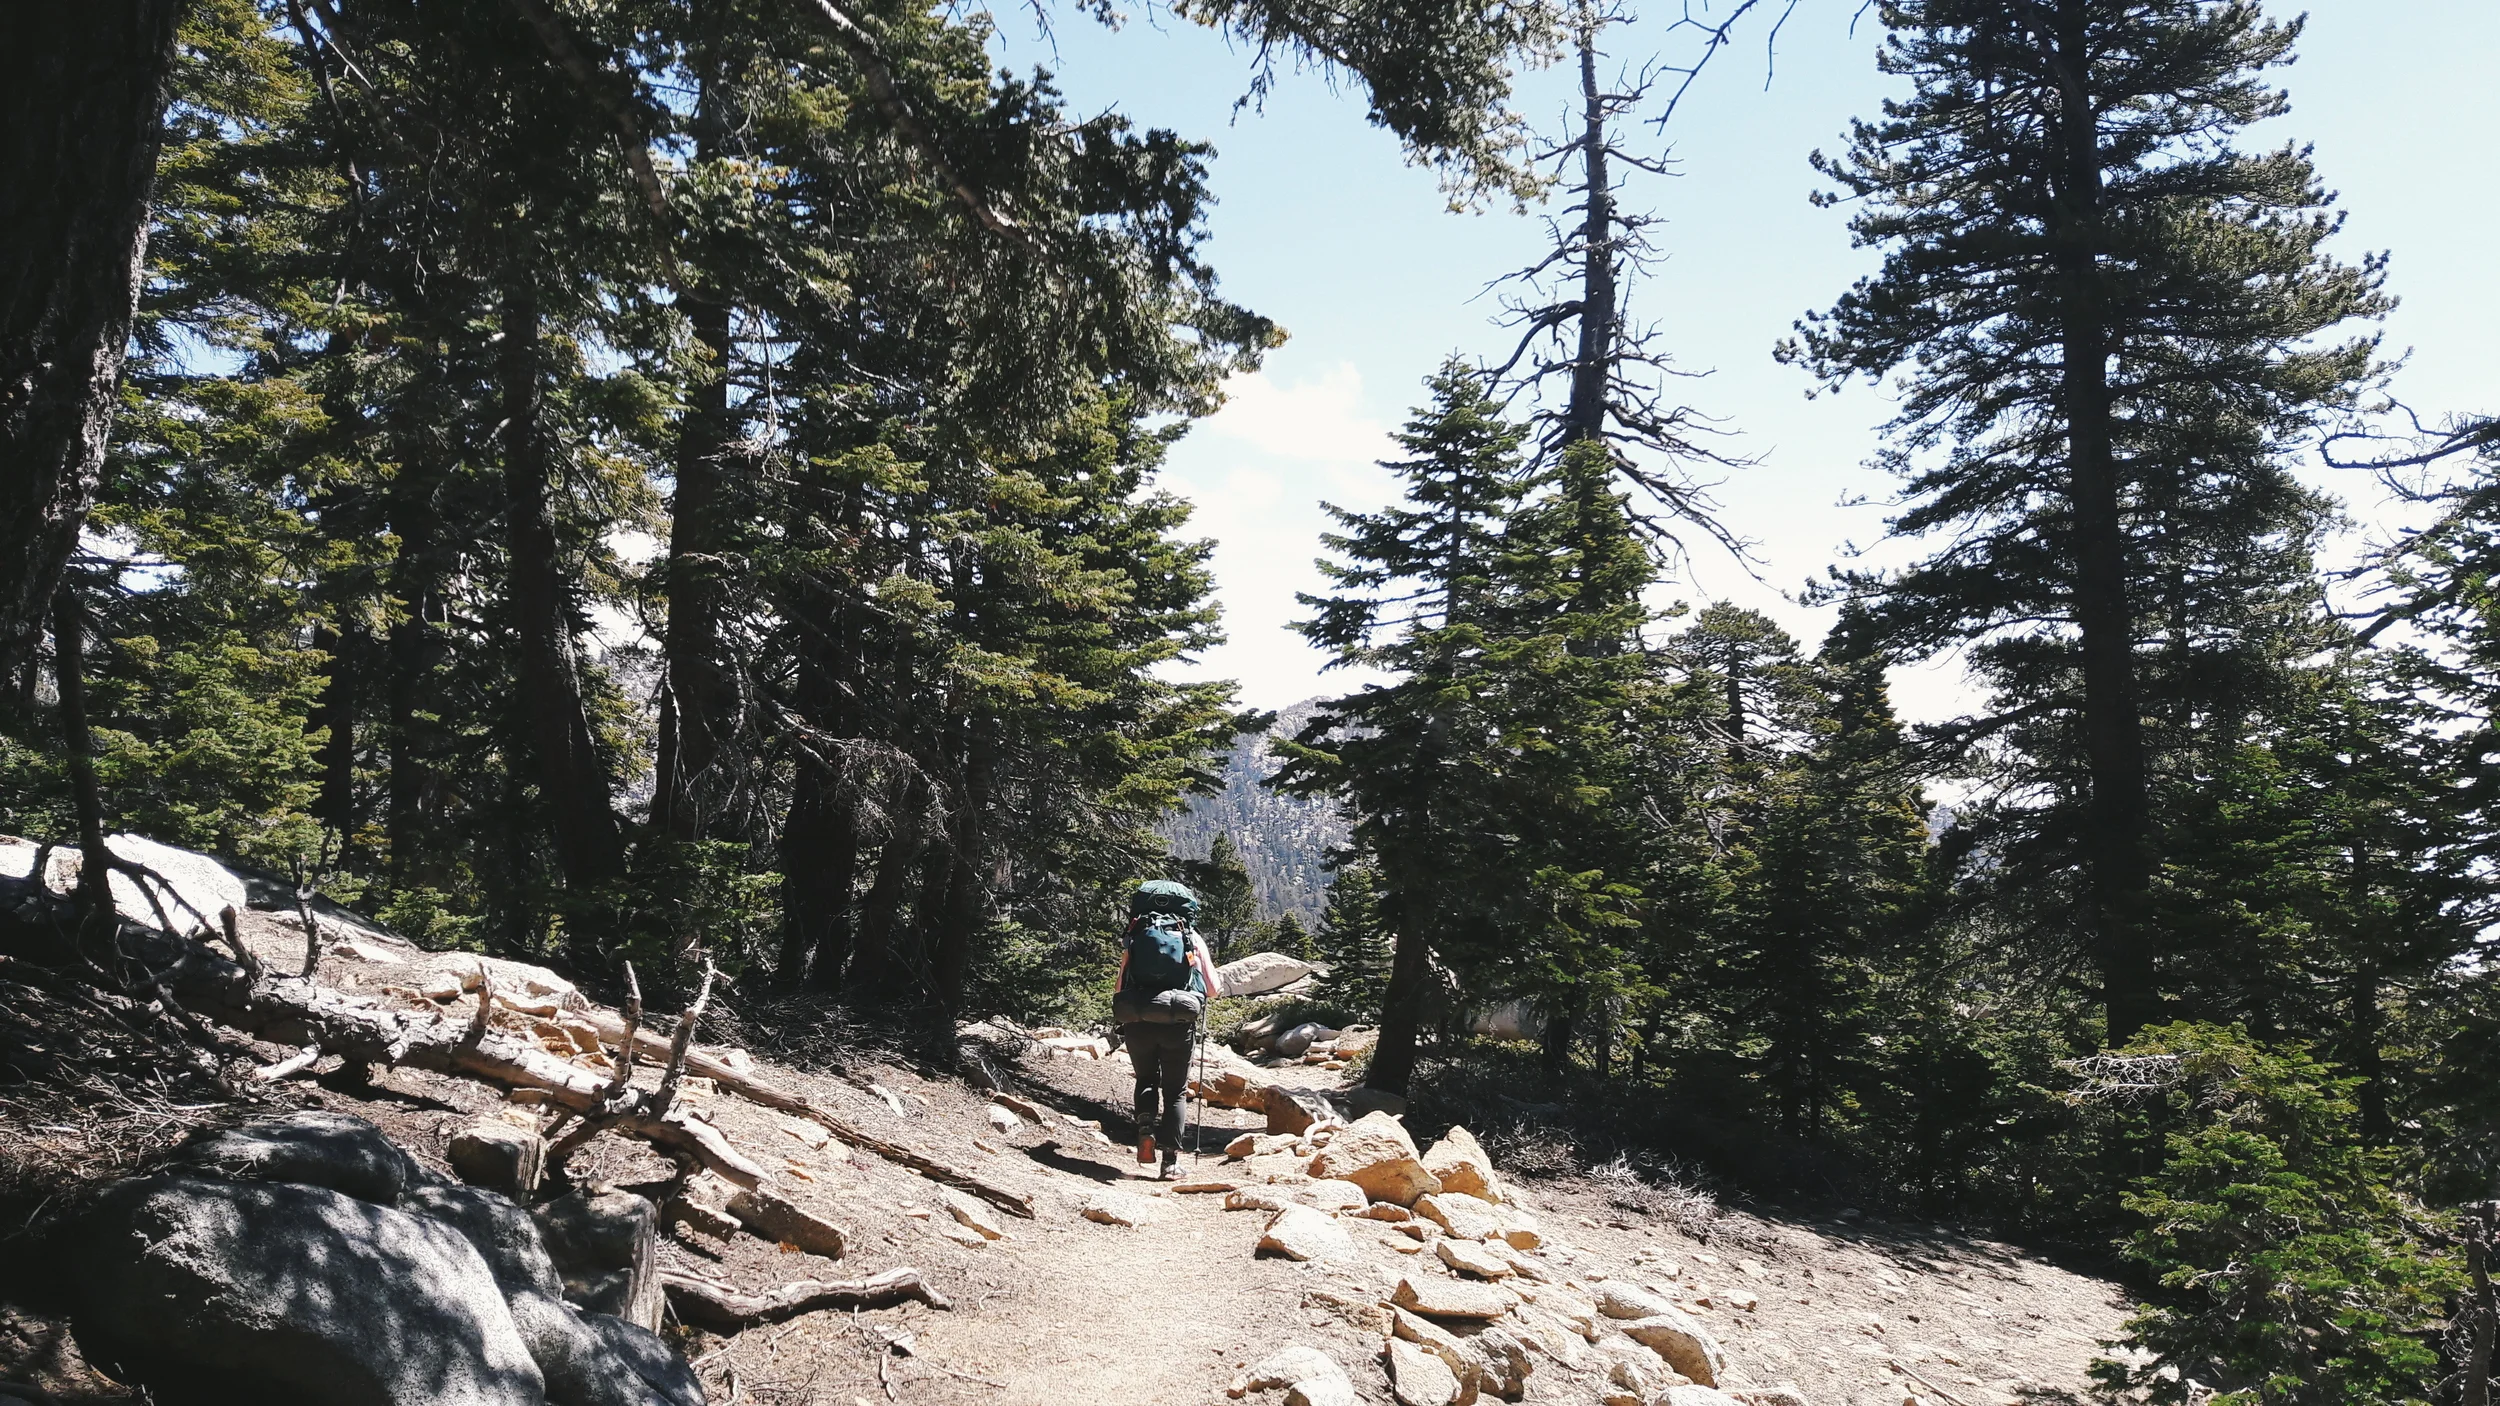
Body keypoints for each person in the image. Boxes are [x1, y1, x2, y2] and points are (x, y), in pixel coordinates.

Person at [1111, 879, 1223, 1178]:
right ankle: (1170, 1162)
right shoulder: (1191, 938)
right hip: (1178, 1021)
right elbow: (1212, 989)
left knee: (1146, 1079)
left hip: (1137, 1017)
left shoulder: (1134, 936)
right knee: (1175, 1092)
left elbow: (1120, 983)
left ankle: (1146, 1124)